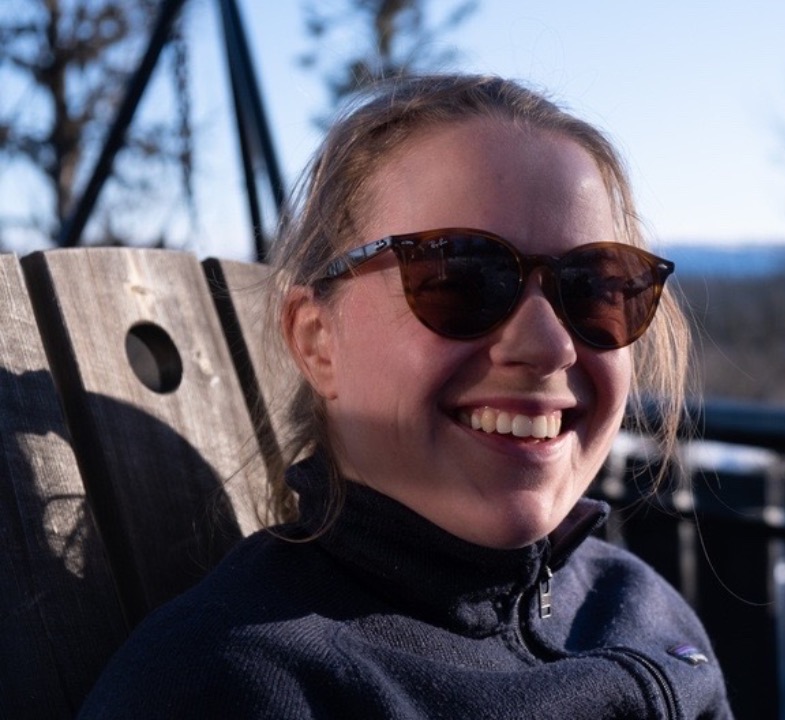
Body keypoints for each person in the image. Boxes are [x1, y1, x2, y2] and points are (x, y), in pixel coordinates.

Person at [78, 74, 733, 719]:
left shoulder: (637, 608)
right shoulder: (239, 684)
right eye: (461, 278)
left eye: (594, 287)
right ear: (318, 342)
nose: (549, 346)